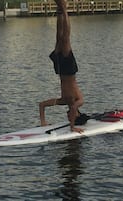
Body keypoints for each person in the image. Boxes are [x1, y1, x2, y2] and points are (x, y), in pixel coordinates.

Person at [39, 0, 84, 133]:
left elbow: (42, 105)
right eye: (73, 116)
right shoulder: (78, 100)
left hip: (60, 69)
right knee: (66, 39)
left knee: (59, 37)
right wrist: (73, 127)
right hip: (69, 70)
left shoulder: (63, 101)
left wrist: (43, 122)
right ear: (77, 114)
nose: (69, 116)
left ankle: (60, 9)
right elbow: (75, 107)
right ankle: (64, 9)